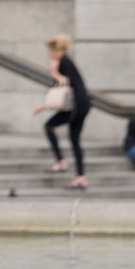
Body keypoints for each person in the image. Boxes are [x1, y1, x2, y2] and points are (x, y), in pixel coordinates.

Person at [34, 34, 91, 191]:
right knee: (74, 139)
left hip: (76, 106)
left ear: (57, 50)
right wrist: (46, 106)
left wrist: (54, 72)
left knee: (50, 127)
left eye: (52, 50)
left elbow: (65, 83)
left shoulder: (64, 62)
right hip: (80, 105)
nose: (50, 54)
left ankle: (61, 161)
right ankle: (80, 176)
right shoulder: (66, 61)